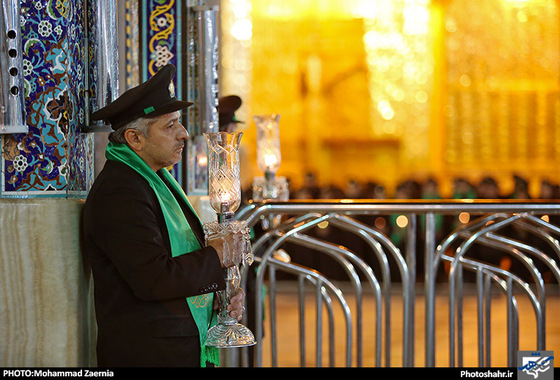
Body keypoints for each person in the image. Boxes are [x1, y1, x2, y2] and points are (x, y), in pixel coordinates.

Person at [82, 64, 245, 367]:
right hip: (149, 354)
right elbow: (153, 279)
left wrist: (219, 293)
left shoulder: (155, 180)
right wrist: (217, 256)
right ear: (135, 138)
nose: (184, 134)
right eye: (170, 126)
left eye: (179, 123)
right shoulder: (121, 191)